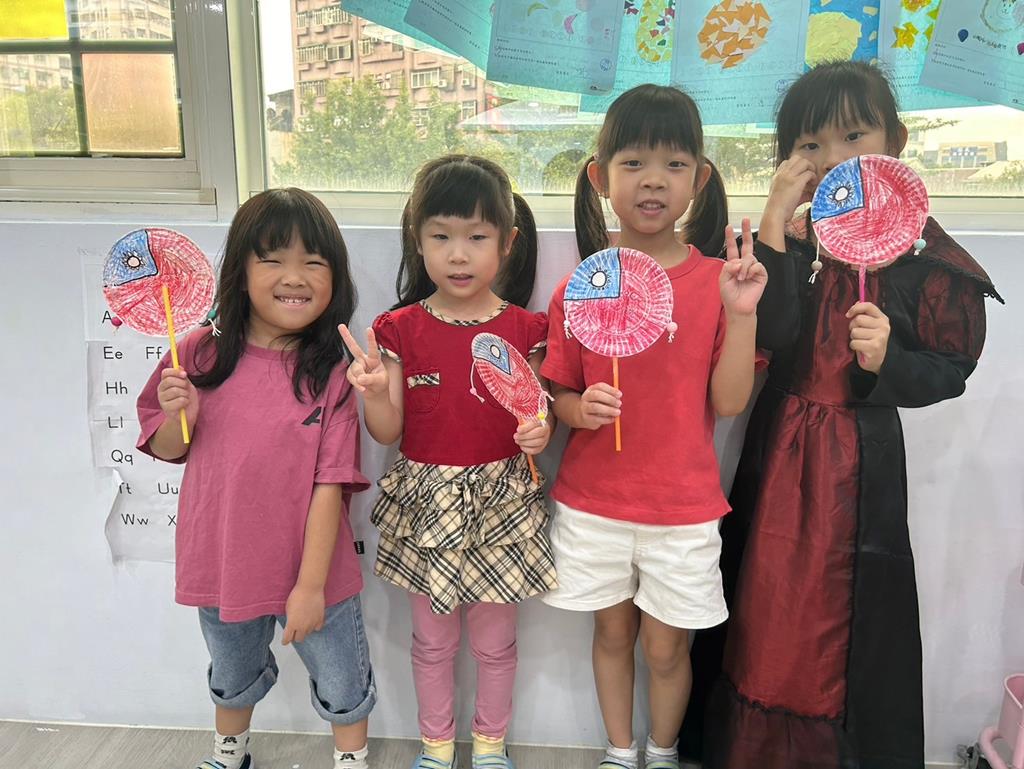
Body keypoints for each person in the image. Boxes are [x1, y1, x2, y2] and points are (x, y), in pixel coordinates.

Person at [692, 61, 1003, 769]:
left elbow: (950, 368)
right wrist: (775, 219)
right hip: (779, 451)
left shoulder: (920, 253)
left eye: (854, 135)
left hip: (862, 461)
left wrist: (887, 359)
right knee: (765, 601)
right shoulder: (792, 239)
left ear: (895, 140)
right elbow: (770, 332)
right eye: (811, 144)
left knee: (848, 615)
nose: (833, 157)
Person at [541, 84, 766, 769]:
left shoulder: (718, 281)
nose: (653, 180)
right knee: (612, 635)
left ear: (699, 178)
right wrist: (578, 409)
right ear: (600, 176)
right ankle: (619, 751)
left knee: (667, 647)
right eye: (633, 162)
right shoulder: (580, 287)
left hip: (683, 508)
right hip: (595, 503)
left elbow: (729, 401)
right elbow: (558, 393)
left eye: (674, 164)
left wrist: (743, 313)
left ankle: (662, 751)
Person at [137, 188, 375, 769]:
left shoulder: (335, 373)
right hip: (223, 563)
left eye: (313, 261)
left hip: (316, 569)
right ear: (240, 273)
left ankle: (351, 759)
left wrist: (311, 587)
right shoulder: (196, 353)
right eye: (272, 259)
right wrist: (178, 414)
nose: (294, 276)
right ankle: (230, 753)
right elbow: (168, 448)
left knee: (342, 676)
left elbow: (331, 485)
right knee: (232, 670)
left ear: (336, 278)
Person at [340, 155, 557, 769]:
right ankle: (435, 747)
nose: (458, 255)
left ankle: (490, 746)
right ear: (418, 240)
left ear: (507, 243)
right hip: (426, 502)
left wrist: (541, 431)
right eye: (441, 237)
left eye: (476, 237)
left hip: (503, 502)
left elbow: (539, 415)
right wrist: (374, 392)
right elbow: (389, 430)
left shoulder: (528, 329)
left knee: (496, 641)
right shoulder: (398, 329)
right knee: (432, 641)